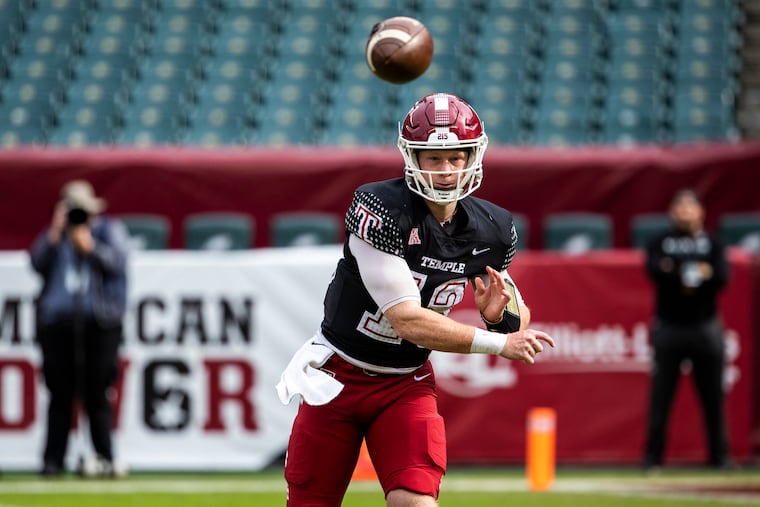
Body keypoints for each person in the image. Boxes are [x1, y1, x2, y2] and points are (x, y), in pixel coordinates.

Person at [276, 93, 555, 506]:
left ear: (473, 157)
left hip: (405, 383)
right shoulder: (381, 209)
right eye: (433, 159)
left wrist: (500, 321)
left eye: (456, 158)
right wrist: (498, 343)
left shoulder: (491, 227)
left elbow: (517, 315)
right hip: (336, 376)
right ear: (412, 159)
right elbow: (407, 319)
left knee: (416, 502)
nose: (446, 171)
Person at [29, 180, 130, 478]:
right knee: (59, 393)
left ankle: (104, 457)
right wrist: (55, 234)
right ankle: (53, 460)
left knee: (97, 392)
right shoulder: (55, 236)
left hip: (99, 322)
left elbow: (118, 264)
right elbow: (35, 263)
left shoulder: (108, 230)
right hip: (58, 323)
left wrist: (90, 247)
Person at [642, 188, 732, 470]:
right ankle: (652, 459)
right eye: (678, 206)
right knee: (661, 398)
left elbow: (721, 276)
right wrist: (695, 272)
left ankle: (720, 458)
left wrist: (678, 270)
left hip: (705, 328)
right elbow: (655, 270)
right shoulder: (661, 241)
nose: (684, 211)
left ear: (701, 211)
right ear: (671, 212)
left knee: (713, 398)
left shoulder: (714, 243)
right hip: (670, 327)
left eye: (689, 206)